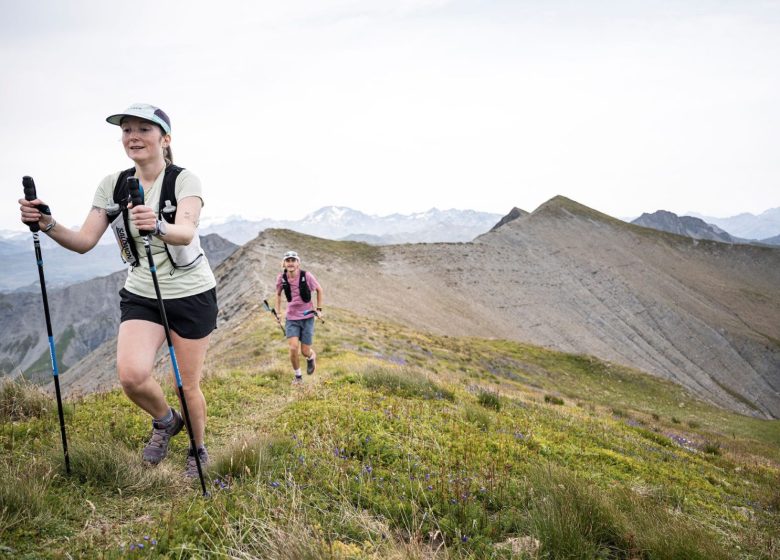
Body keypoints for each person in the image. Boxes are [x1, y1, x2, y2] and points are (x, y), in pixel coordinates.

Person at [18, 103, 217, 477]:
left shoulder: (183, 180)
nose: (134, 136)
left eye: (144, 129)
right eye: (127, 130)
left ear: (165, 139)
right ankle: (166, 422)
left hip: (191, 293)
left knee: (186, 384)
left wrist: (158, 224)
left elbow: (187, 229)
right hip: (142, 290)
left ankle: (197, 448)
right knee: (131, 375)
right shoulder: (113, 184)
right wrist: (46, 222)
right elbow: (82, 241)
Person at [275, 251, 323, 384]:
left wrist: (319, 309)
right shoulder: (281, 278)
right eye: (288, 260)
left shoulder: (306, 276)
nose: (290, 263)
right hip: (291, 318)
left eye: (293, 260)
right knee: (293, 348)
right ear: (284, 263)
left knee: (305, 351)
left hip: (307, 317)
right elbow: (278, 294)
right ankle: (298, 378)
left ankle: (311, 356)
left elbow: (319, 289)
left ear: (298, 263)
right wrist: (278, 312)